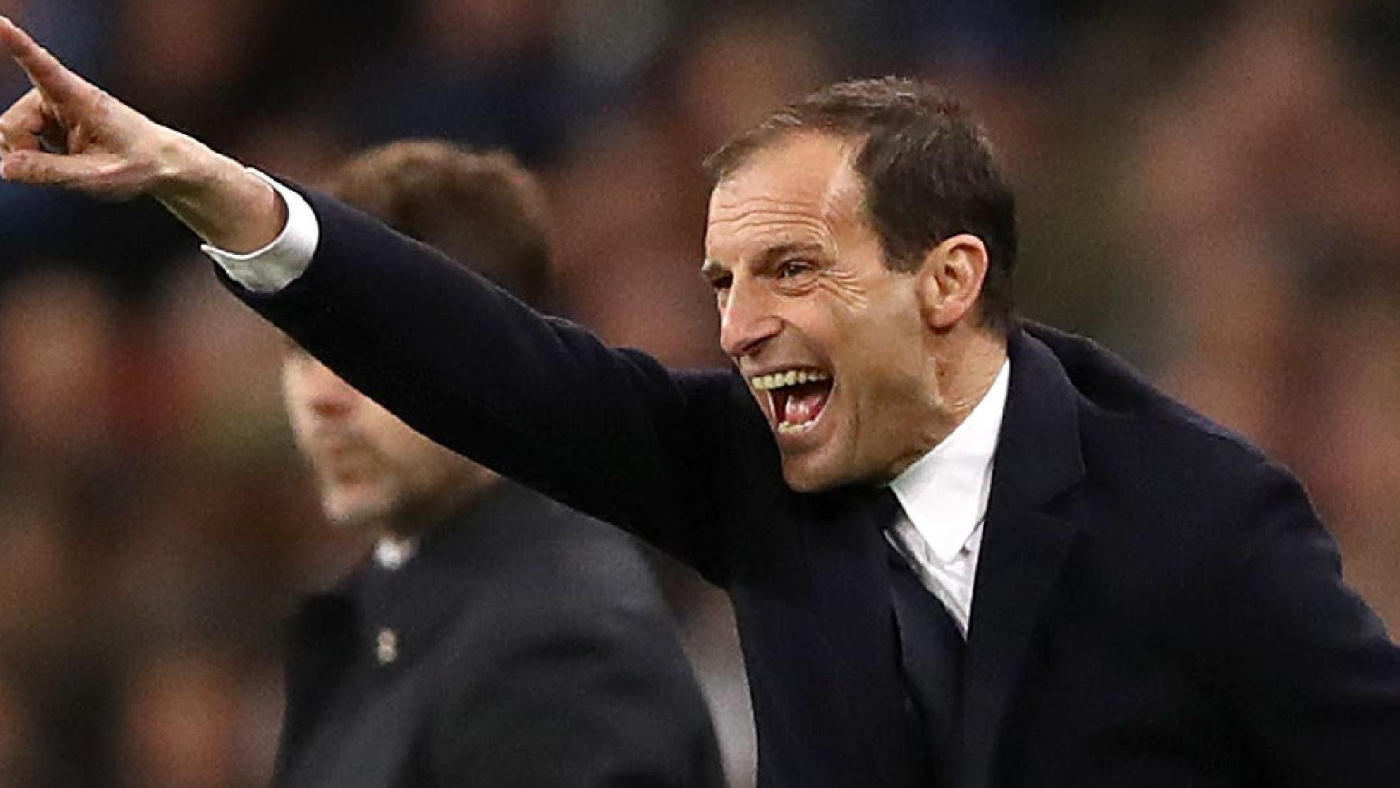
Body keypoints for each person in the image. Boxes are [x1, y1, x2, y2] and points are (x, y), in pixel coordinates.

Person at [3, 17, 1400, 788]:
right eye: (722, 282)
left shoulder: (1195, 516)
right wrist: (210, 187)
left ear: (947, 279)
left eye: (790, 271)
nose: (735, 330)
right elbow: (489, 363)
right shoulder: (752, 468)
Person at [266, 140, 724, 787]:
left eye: (363, 350)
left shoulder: (558, 646)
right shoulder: (378, 613)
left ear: (494, 353)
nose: (321, 395)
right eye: (300, 346)